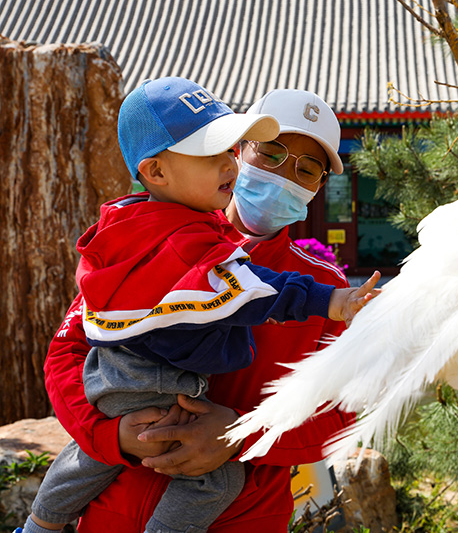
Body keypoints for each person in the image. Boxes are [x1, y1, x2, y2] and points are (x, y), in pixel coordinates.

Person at [23, 79, 379, 533]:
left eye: (307, 170)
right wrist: (109, 436)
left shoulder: (325, 287)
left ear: (320, 186)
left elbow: (340, 416)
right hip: (117, 506)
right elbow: (71, 349)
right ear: (238, 149)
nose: (284, 177)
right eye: (270, 154)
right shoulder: (151, 243)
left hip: (244, 515)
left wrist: (241, 434)